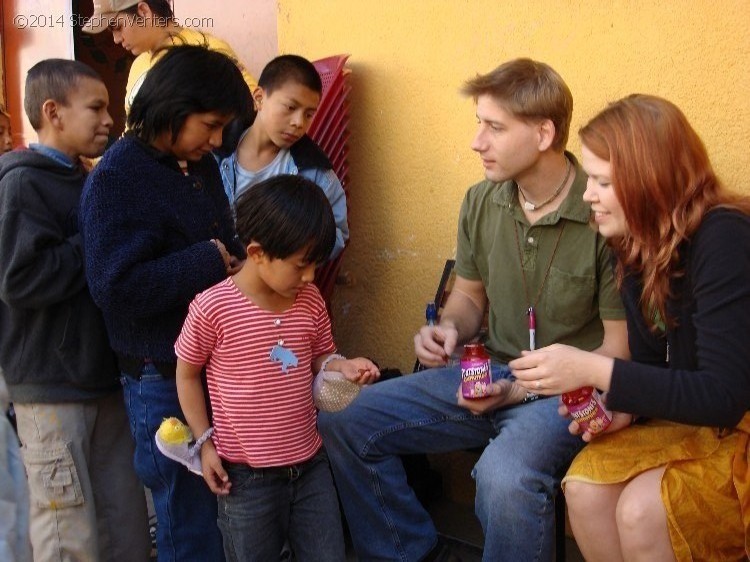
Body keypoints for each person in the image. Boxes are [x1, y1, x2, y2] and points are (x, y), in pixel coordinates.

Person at [317, 58, 629, 561]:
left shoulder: (601, 212)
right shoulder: (481, 201)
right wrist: (446, 329)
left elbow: (618, 350)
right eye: (477, 123)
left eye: (494, 127)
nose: (476, 141)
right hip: (485, 376)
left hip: (567, 392)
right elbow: (468, 296)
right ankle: (410, 553)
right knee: (345, 417)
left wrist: (514, 390)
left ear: (544, 132)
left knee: (504, 478)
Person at [510, 94, 750, 562]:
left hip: (737, 429)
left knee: (642, 510)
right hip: (694, 426)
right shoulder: (636, 246)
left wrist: (593, 371)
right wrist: (621, 409)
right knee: (583, 488)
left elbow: (725, 395)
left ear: (649, 181)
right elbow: (648, 364)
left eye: (602, 181)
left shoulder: (724, 236)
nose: (586, 195)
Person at [79, 45, 251, 562]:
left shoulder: (190, 165)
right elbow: (114, 287)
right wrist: (209, 260)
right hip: (159, 377)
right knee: (187, 519)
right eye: (210, 124)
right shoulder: (117, 177)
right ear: (174, 107)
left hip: (206, 369)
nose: (218, 140)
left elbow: (227, 244)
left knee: (217, 504)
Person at [174, 174, 379, 562]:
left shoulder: (310, 300)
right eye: (301, 265)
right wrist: (204, 445)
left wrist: (344, 366)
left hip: (311, 467)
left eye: (315, 265)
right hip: (245, 480)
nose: (309, 277)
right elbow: (186, 374)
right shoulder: (212, 308)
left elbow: (321, 357)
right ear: (257, 253)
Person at [0, 58, 150, 562]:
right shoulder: (20, 184)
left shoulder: (88, 178)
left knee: (122, 520)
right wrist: (95, 241)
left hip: (102, 377)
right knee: (68, 529)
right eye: (96, 107)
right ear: (52, 112)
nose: (110, 120)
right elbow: (20, 279)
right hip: (50, 385)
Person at [216, 54, 349, 260]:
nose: (298, 122)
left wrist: (273, 260)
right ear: (259, 98)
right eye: (290, 107)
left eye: (309, 114)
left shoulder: (314, 172)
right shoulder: (215, 153)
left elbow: (337, 235)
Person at [82, 0, 256, 119]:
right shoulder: (138, 66)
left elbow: (252, 106)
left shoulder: (207, 50)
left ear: (143, 11)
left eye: (117, 27)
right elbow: (132, 134)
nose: (116, 39)